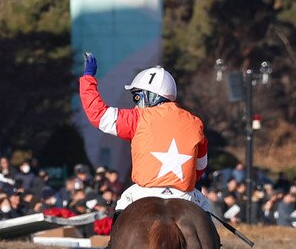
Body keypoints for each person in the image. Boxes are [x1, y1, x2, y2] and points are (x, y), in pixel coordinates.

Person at [78, 54, 211, 217]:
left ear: (151, 96)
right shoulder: (195, 123)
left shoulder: (137, 118)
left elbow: (98, 115)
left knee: (121, 206)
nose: (136, 104)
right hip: (184, 195)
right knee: (206, 209)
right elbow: (200, 166)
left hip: (143, 193)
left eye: (137, 97)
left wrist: (88, 78)